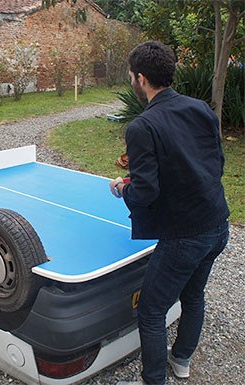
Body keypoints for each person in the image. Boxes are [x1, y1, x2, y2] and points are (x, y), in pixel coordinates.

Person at [109, 41, 230, 385]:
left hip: (185, 237)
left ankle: (153, 381)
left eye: (132, 75)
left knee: (151, 310)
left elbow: (145, 193)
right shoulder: (200, 108)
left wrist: (125, 188)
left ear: (141, 78)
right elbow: (211, 163)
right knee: (193, 294)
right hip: (218, 226)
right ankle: (181, 360)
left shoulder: (141, 127)